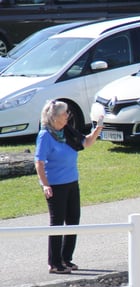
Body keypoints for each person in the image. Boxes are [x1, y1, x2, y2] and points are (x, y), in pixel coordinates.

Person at [34, 100, 104, 274]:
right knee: (57, 223)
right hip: (55, 185)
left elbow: (86, 142)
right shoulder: (45, 136)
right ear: (54, 117)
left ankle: (66, 259)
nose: (67, 116)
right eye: (64, 113)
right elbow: (39, 163)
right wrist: (45, 185)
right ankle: (54, 263)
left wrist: (98, 129)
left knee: (73, 220)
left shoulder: (65, 131)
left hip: (72, 182)